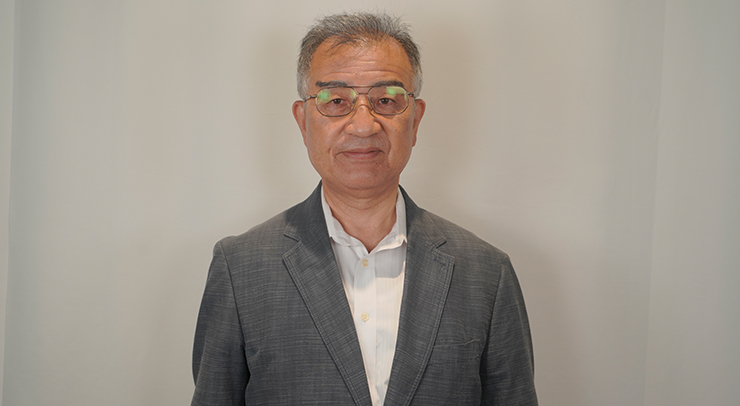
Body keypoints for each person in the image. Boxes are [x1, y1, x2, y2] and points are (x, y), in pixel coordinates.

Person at [191, 11, 537, 406]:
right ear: (303, 121)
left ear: (415, 120)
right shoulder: (240, 268)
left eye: (385, 101)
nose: (363, 125)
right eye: (336, 101)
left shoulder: (486, 273)